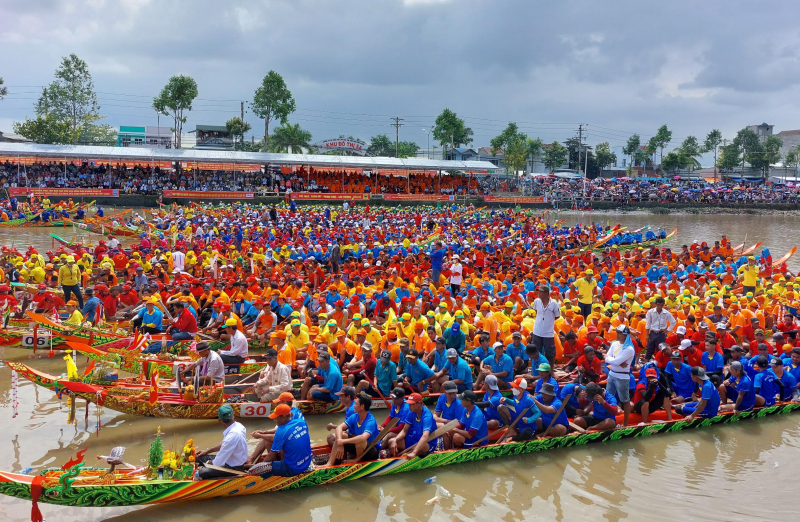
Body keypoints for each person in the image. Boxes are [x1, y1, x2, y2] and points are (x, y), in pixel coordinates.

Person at [250, 404, 313, 477]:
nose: (274, 420)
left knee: (258, 468)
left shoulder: (281, 431)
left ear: (283, 417)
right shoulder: (301, 422)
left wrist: (259, 467)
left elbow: (270, 456)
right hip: (307, 462)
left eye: (276, 418)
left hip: (292, 468)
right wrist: (263, 433)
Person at [195, 405, 248, 479]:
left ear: (219, 420)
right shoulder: (240, 426)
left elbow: (217, 463)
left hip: (233, 467)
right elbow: (223, 444)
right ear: (234, 415)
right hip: (230, 460)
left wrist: (206, 464)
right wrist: (206, 451)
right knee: (199, 458)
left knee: (202, 473)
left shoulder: (232, 436)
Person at [327, 394, 381, 465]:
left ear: (362, 406)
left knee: (360, 440)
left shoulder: (371, 421)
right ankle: (330, 463)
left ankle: (357, 460)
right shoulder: (355, 416)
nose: (353, 406)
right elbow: (339, 428)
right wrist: (340, 443)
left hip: (371, 450)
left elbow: (363, 438)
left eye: (356, 404)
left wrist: (343, 441)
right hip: (359, 447)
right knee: (342, 435)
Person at [388, 393, 440, 458]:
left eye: (412, 404)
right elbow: (404, 430)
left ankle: (411, 453)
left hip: (428, 442)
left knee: (421, 447)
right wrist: (395, 440)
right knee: (391, 441)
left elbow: (425, 436)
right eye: (409, 404)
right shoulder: (411, 412)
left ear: (419, 403)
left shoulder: (427, 416)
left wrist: (414, 452)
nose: (410, 406)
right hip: (415, 438)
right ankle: (396, 457)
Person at [605, 325, 635, 426]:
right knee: (607, 397)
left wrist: (614, 361)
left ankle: (625, 423)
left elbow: (613, 360)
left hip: (622, 377)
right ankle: (607, 420)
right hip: (612, 374)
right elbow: (607, 358)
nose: (617, 335)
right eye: (617, 332)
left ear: (625, 335)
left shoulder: (629, 349)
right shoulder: (614, 344)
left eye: (620, 333)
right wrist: (615, 361)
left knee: (625, 400)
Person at [531, 285, 561, 366]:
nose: (539, 293)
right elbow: (536, 311)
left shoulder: (554, 304)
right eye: (539, 292)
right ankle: (536, 369)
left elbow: (557, 316)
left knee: (550, 354)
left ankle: (551, 370)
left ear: (547, 293)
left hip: (548, 333)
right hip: (537, 331)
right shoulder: (536, 301)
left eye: (541, 292)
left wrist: (548, 321)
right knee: (536, 352)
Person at [645, 296, 676, 360]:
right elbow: (648, 324)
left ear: (663, 305)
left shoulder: (666, 313)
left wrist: (667, 330)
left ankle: (660, 363)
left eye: (661, 305)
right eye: (658, 305)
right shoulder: (650, 312)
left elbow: (673, 322)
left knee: (661, 349)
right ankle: (646, 363)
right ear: (656, 304)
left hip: (661, 333)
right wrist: (647, 335)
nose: (659, 306)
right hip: (653, 333)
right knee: (649, 349)